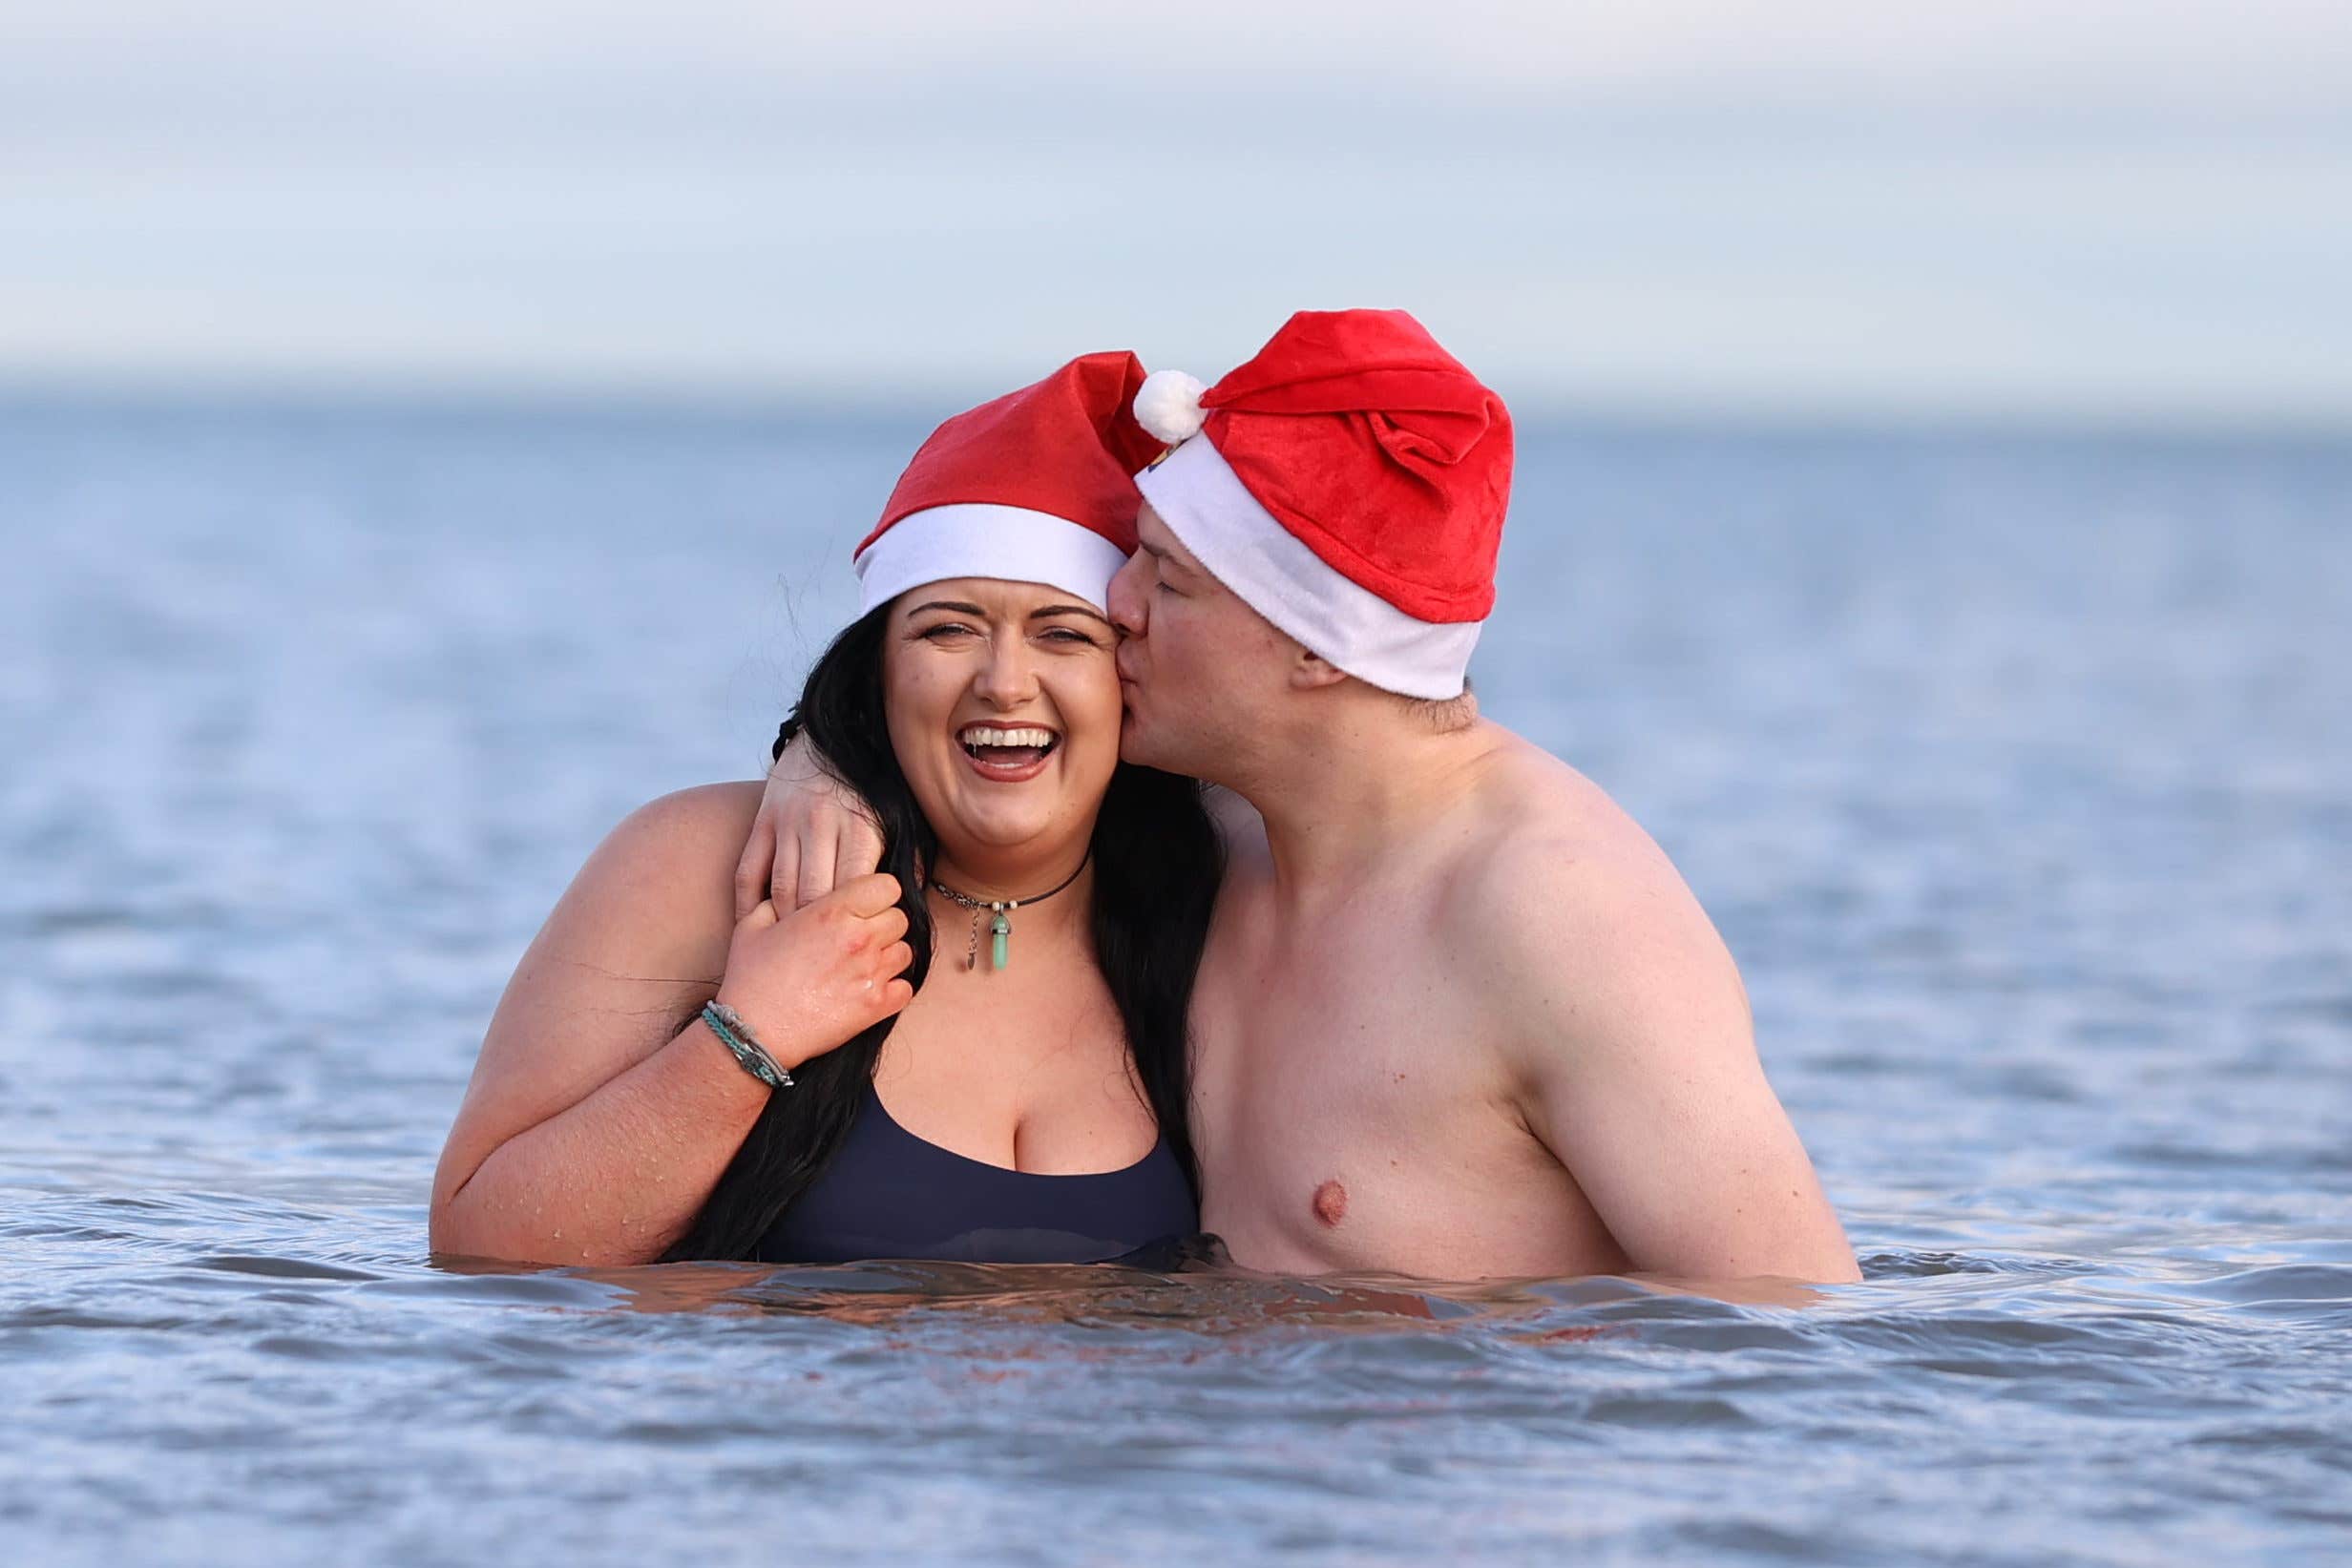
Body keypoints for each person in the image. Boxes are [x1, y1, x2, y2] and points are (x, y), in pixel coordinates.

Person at [746, 310, 1860, 1286]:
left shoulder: (1553, 913)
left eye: (1165, 580)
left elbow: (1794, 1324)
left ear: (1315, 645)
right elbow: (976, 732)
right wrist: (823, 754)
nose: (1112, 607)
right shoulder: (1224, 836)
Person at [430, 352, 1222, 1268]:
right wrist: (747, 1040)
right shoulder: (706, 863)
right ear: (877, 669)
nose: (1006, 683)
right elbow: (481, 1245)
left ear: (1131, 672)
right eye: (947, 627)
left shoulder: (1224, 906)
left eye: (1063, 634)